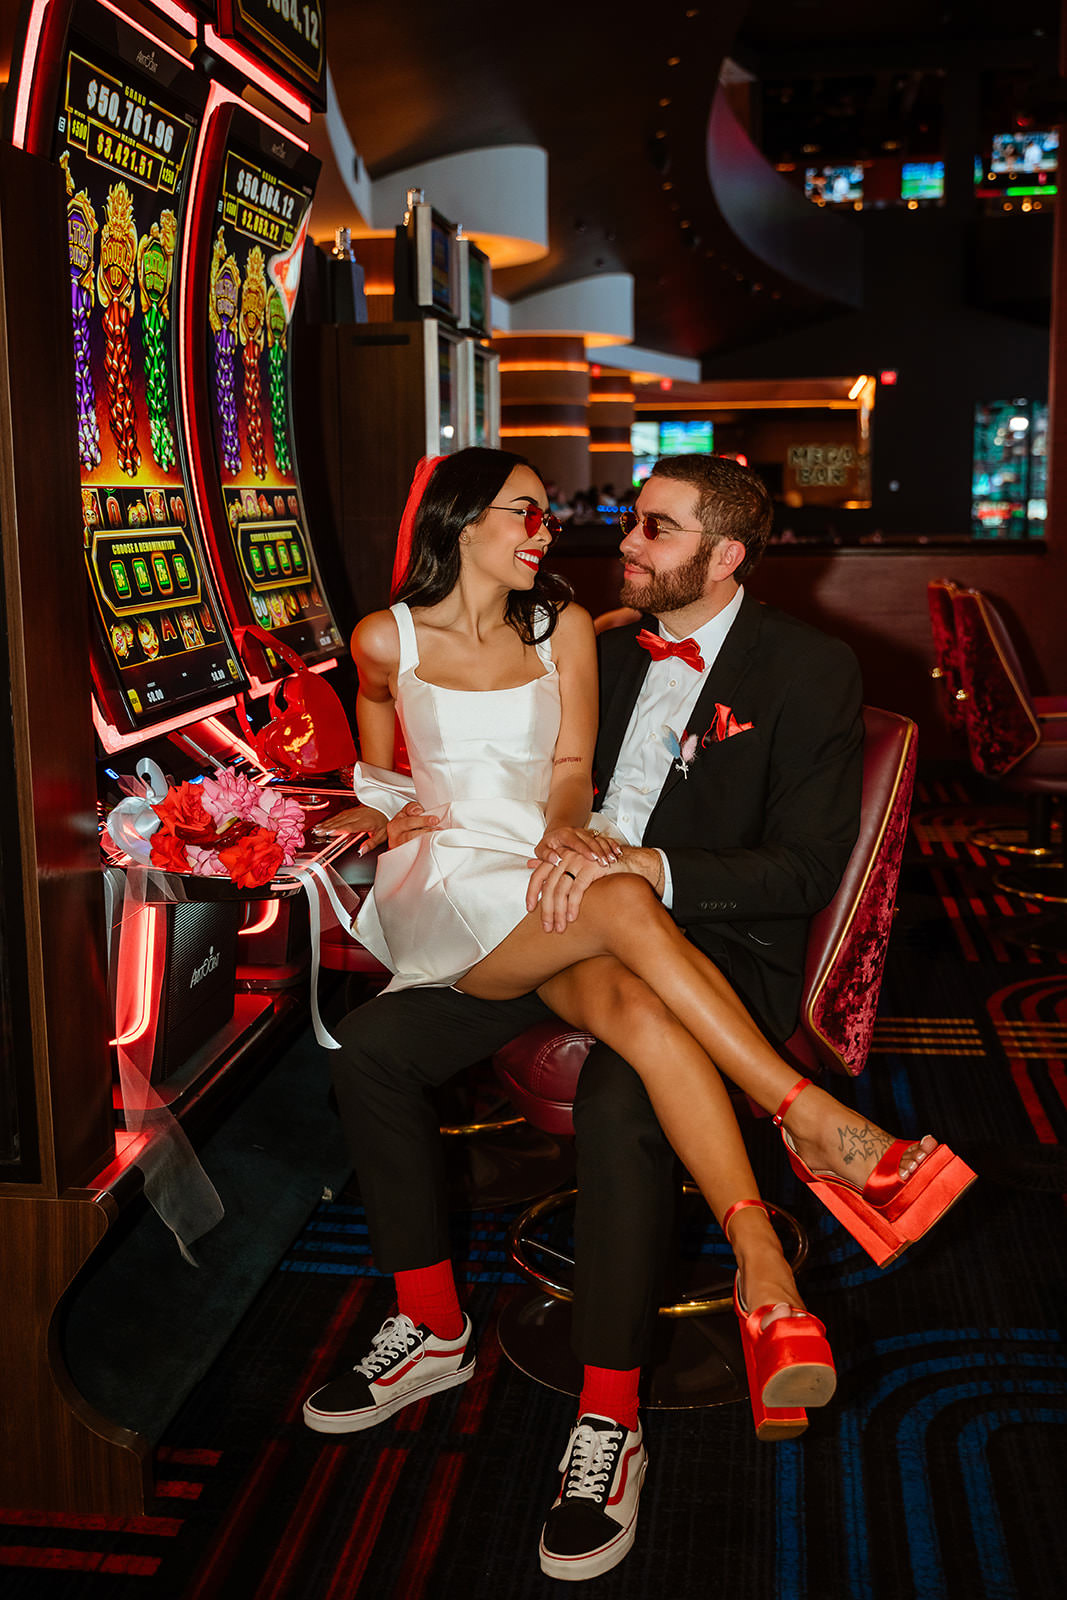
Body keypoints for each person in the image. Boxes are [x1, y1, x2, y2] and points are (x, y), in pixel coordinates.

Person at [304, 449, 974, 1582]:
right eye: (626, 524)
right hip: (523, 909)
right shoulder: (592, 638)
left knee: (620, 1100)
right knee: (370, 1050)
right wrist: (400, 812)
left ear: (723, 556)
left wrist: (638, 866)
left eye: (652, 532)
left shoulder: (803, 669)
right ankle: (450, 1320)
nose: (619, 545)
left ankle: (608, 1420)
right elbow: (473, 750)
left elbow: (804, 870)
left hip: (691, 943)